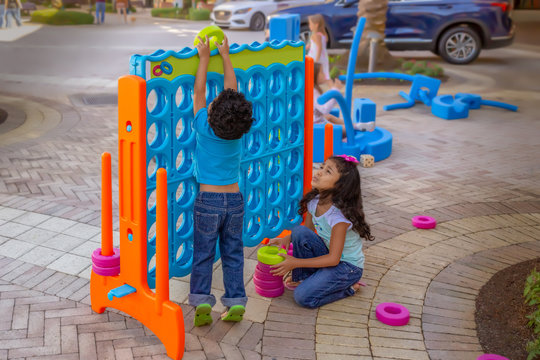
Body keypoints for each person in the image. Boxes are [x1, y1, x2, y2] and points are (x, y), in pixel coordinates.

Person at [190, 34, 255, 327]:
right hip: (235, 201)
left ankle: (202, 300)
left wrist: (205, 58)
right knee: (233, 254)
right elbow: (232, 91)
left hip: (208, 201)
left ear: (212, 112)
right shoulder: (238, 132)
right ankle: (236, 301)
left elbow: (199, 92)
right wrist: (226, 56)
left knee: (203, 254)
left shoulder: (204, 126)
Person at [268, 155, 374, 308]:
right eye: (321, 167)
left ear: (340, 186)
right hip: (329, 256)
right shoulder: (314, 200)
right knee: (299, 231)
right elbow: (307, 231)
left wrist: (295, 263)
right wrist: (287, 239)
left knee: (302, 297)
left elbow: (333, 260)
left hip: (347, 267)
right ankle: (305, 277)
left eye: (327, 171)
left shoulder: (338, 218)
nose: (318, 172)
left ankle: (349, 289)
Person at [313, 63, 375, 135]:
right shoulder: (313, 91)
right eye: (322, 72)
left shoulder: (313, 89)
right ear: (314, 75)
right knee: (343, 129)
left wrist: (332, 89)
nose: (324, 74)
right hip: (316, 127)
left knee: (329, 117)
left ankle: (353, 125)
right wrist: (335, 89)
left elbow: (322, 103)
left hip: (317, 121)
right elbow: (324, 109)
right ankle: (354, 127)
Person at [307, 14, 330, 80]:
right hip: (323, 57)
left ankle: (312, 87)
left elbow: (319, 47)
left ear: (316, 25)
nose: (309, 26)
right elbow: (314, 44)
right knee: (325, 75)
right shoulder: (322, 34)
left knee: (311, 74)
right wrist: (308, 46)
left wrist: (316, 60)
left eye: (310, 24)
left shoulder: (315, 35)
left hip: (315, 57)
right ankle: (333, 87)